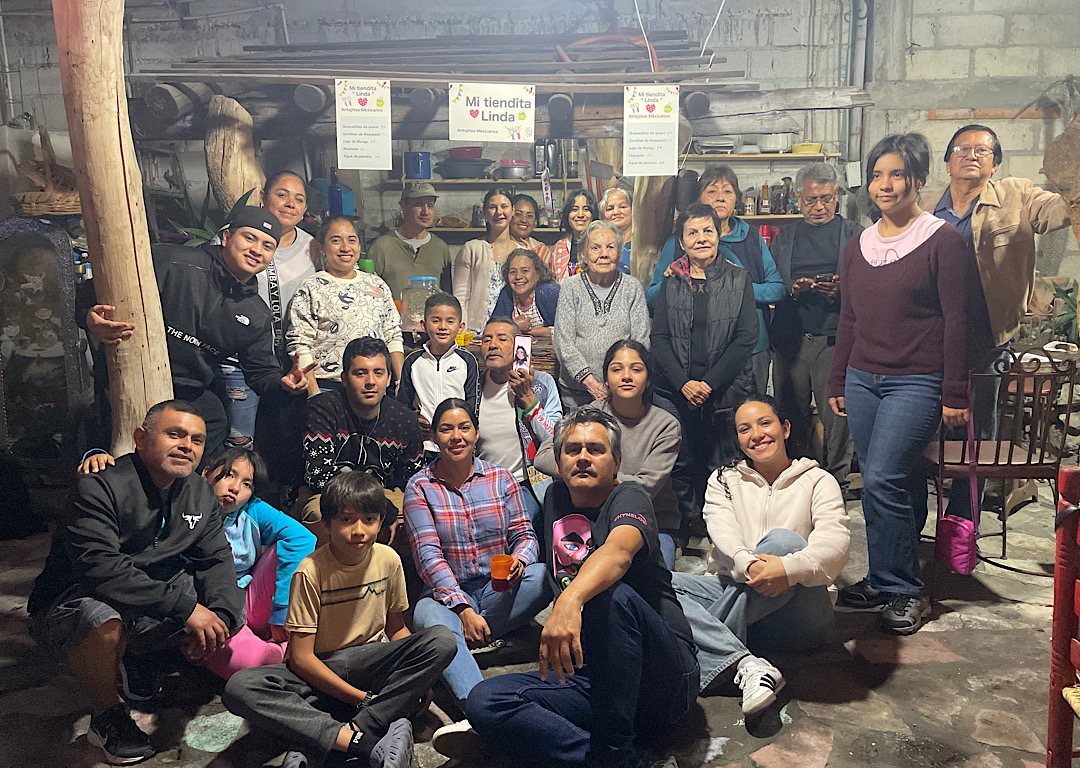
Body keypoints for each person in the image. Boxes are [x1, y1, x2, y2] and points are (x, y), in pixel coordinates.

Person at [462, 410, 698, 768]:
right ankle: (610, 756)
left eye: (595, 449)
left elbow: (618, 553)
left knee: (611, 596)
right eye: (572, 450)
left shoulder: (630, 497)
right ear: (558, 463)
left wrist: (569, 600)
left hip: (662, 679)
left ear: (617, 462)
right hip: (595, 677)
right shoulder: (556, 497)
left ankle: (611, 753)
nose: (583, 457)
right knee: (485, 701)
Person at [28, 401, 245, 765]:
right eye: (174, 434)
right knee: (100, 619)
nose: (186, 446)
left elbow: (216, 560)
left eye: (196, 440)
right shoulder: (98, 487)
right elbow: (100, 569)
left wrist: (220, 616)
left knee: (225, 604)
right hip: (77, 597)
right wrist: (186, 610)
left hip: (147, 593)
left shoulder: (199, 493)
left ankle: (138, 654)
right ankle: (108, 715)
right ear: (141, 439)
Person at [828, 133, 973, 636]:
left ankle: (905, 587)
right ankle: (885, 577)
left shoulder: (941, 241)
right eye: (877, 175)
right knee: (898, 481)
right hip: (863, 379)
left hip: (917, 380)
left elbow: (958, 320)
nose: (884, 185)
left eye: (896, 174)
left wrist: (955, 392)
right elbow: (849, 318)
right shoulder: (859, 245)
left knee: (881, 479)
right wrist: (838, 377)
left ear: (918, 179)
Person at [222, 471, 457, 768]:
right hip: (323, 668)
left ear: (381, 523)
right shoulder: (310, 571)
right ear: (327, 524)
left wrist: (418, 677)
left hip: (370, 661)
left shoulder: (388, 560)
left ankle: (326, 735)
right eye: (346, 520)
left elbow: (396, 628)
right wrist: (364, 699)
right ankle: (364, 737)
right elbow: (301, 659)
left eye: (369, 520)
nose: (359, 530)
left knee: (442, 639)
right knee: (241, 687)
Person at [84, 206, 312, 460]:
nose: (257, 250)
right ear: (226, 237)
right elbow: (93, 291)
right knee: (115, 452)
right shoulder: (172, 261)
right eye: (249, 238)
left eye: (267, 246)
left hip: (188, 391)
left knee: (213, 420)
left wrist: (285, 384)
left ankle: (189, 483)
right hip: (128, 378)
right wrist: (90, 317)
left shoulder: (256, 312)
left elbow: (261, 373)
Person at [671, 394, 849, 716]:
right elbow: (722, 532)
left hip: (801, 613)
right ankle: (746, 664)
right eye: (744, 429)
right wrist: (749, 564)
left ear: (786, 428)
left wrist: (787, 569)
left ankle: (704, 642)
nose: (756, 435)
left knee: (783, 541)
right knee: (656, 582)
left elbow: (835, 545)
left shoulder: (818, 481)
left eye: (765, 423)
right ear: (738, 438)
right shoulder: (723, 480)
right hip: (740, 596)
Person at [76, 446, 317, 682]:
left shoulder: (251, 508)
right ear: (205, 474)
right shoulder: (185, 498)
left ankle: (290, 648)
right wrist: (98, 458)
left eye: (247, 484)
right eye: (229, 475)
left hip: (243, 599)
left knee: (290, 552)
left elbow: (302, 538)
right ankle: (290, 655)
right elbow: (140, 484)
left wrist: (281, 610)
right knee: (260, 662)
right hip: (203, 608)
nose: (235, 488)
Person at [930, 124, 1072, 518]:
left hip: (986, 337)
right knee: (923, 427)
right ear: (947, 163)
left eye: (983, 149)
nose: (972, 154)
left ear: (995, 164)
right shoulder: (927, 208)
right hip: (930, 337)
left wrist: (1070, 178)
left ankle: (963, 521)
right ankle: (917, 520)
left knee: (977, 432)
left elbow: (1060, 211)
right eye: (962, 148)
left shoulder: (1019, 195)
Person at [404, 399, 551, 721]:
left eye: (464, 428)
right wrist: (463, 609)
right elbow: (428, 556)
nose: (456, 436)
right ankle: (482, 712)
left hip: (498, 589)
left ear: (476, 432)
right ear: (434, 436)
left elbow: (525, 534)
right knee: (427, 617)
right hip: (446, 595)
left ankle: (464, 636)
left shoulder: (501, 478)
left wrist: (519, 561)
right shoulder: (420, 486)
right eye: (446, 429)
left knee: (542, 577)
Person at [651, 202, 758, 543]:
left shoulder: (739, 279)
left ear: (718, 235)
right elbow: (659, 338)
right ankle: (686, 524)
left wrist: (708, 384)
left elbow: (746, 338)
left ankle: (721, 530)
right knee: (682, 462)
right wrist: (683, 383)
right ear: (682, 242)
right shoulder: (671, 282)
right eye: (692, 233)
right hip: (677, 389)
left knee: (722, 461)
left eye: (707, 231)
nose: (701, 238)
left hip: (724, 389)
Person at [534, 340, 682, 569]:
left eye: (636, 369)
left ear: (648, 380)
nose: (626, 376)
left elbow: (645, 486)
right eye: (616, 369)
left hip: (652, 520)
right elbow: (543, 456)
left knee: (657, 581)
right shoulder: (589, 415)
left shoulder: (665, 425)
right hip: (591, 517)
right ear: (606, 379)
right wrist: (576, 469)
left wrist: (591, 477)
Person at [646, 165, 785, 393]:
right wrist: (676, 279)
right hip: (690, 351)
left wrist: (738, 288)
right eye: (712, 191)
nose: (720, 197)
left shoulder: (751, 237)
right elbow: (651, 298)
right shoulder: (678, 242)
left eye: (727, 191)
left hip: (749, 348)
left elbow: (777, 289)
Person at [769, 162, 861, 498]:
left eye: (826, 198)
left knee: (837, 415)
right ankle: (799, 478)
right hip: (791, 338)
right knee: (790, 413)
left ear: (836, 196)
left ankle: (837, 483)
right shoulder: (785, 239)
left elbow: (870, 284)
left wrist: (842, 289)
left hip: (834, 338)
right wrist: (795, 289)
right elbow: (773, 282)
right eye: (810, 200)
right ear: (798, 198)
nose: (819, 206)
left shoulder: (855, 235)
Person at [221, 170, 320, 448]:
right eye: (282, 195)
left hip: (293, 360)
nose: (290, 204)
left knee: (286, 441)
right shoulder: (238, 238)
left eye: (299, 199)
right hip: (239, 359)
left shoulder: (313, 247)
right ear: (263, 197)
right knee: (240, 440)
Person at [299, 337, 424, 544]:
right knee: (320, 514)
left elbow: (416, 480)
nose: (370, 381)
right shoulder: (323, 409)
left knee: (420, 512)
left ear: (389, 378)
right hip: (331, 495)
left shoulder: (405, 419)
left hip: (385, 494)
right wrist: (379, 506)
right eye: (360, 373)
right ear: (344, 378)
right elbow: (319, 476)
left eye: (378, 373)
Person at [287, 216, 404, 392]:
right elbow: (300, 343)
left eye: (352, 240)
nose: (345, 247)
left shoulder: (376, 285)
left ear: (359, 247)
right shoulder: (312, 287)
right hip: (328, 386)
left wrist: (400, 381)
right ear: (322, 247)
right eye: (336, 240)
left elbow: (392, 334)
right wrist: (315, 394)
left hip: (374, 386)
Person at [553, 220, 650, 408]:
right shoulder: (571, 287)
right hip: (576, 393)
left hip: (621, 391)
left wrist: (617, 383)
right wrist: (590, 382)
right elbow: (563, 342)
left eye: (610, 247)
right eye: (595, 248)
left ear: (619, 253)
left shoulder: (632, 287)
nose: (604, 254)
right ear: (583, 254)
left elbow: (641, 342)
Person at [475, 317, 563, 524]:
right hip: (480, 484)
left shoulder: (542, 383)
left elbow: (554, 439)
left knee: (514, 523)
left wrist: (527, 397)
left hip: (525, 485)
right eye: (487, 339)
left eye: (502, 339)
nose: (493, 345)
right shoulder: (473, 385)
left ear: (518, 346)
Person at [396, 292, 480, 457]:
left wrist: (469, 436)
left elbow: (473, 404)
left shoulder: (467, 361)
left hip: (457, 444)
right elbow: (403, 405)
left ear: (460, 327)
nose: (443, 326)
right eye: (436, 320)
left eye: (450, 321)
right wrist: (413, 422)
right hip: (423, 445)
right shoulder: (413, 361)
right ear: (424, 325)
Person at [368, 181, 453, 301]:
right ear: (403, 206)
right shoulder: (381, 247)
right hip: (394, 313)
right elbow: (369, 294)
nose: (425, 212)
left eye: (430, 205)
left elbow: (447, 297)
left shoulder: (440, 247)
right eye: (418, 204)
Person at [453, 187, 519, 332]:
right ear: (484, 212)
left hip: (511, 330)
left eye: (504, 206)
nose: (499, 212)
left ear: (513, 210)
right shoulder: (472, 248)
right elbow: (460, 295)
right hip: (476, 331)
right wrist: (461, 329)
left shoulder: (522, 253)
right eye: (492, 207)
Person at [490, 247, 560, 339]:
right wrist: (515, 326)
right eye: (513, 272)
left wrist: (520, 329)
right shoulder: (507, 294)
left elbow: (568, 331)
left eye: (525, 271)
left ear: (538, 273)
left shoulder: (550, 292)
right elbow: (492, 328)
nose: (518, 276)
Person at [550, 190, 599, 281]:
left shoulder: (601, 245)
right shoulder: (559, 247)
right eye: (574, 209)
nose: (580, 215)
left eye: (586, 209)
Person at [510, 193, 553, 264]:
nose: (524, 220)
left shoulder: (542, 251)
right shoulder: (499, 246)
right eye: (518, 214)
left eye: (529, 216)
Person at [599, 186, 633, 273]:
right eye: (610, 209)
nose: (616, 212)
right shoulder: (599, 246)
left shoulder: (644, 243)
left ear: (633, 210)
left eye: (622, 207)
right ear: (603, 216)